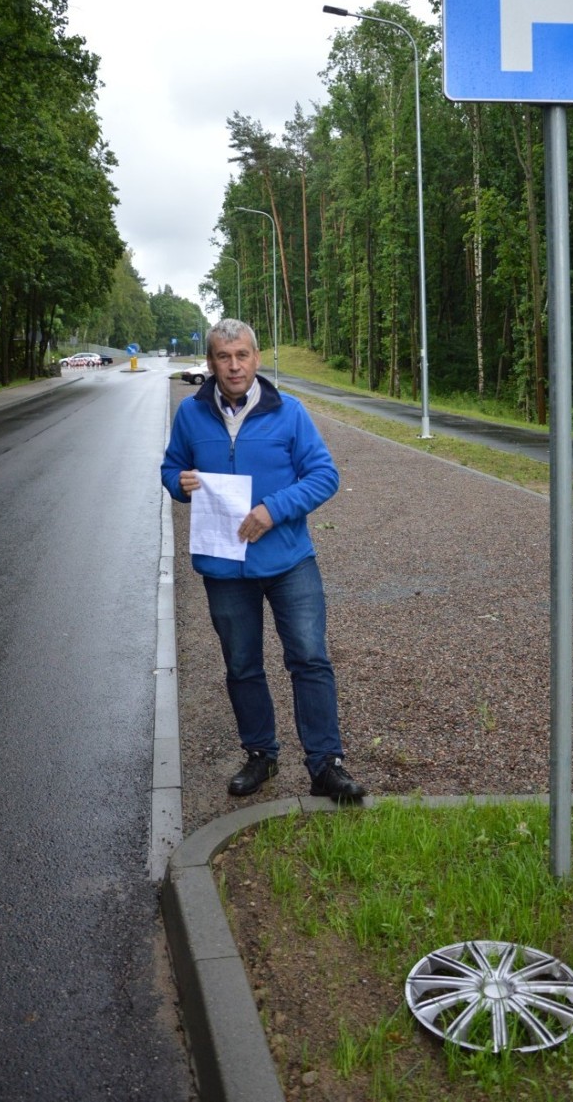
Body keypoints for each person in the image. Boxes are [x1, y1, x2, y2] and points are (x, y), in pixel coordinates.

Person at [161, 318, 365, 803]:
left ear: (256, 358)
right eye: (223, 357)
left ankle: (326, 764)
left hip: (290, 561)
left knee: (310, 659)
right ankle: (261, 755)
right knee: (241, 664)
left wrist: (274, 510)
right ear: (210, 363)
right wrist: (180, 483)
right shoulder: (191, 416)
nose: (234, 366)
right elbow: (170, 468)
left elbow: (324, 476)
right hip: (224, 569)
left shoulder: (289, 413)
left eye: (242, 355)